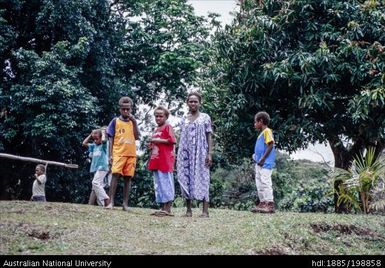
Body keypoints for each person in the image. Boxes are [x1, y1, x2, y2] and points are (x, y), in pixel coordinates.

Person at [177, 92, 213, 218]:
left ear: (199, 103)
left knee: (203, 177)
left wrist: (209, 153)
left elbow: (209, 135)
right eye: (190, 101)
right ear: (187, 103)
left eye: (195, 101)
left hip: (200, 152)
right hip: (185, 153)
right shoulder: (183, 119)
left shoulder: (205, 117)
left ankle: (205, 211)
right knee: (186, 178)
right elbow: (181, 137)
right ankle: (188, 210)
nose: (193, 103)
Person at [106, 96, 140, 211]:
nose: (126, 111)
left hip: (131, 154)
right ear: (120, 109)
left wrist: (134, 122)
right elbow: (110, 138)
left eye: (128, 109)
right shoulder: (115, 121)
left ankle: (125, 204)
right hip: (118, 153)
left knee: (128, 178)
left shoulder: (132, 122)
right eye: (124, 109)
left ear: (131, 109)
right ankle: (110, 202)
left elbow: (137, 136)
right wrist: (110, 155)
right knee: (115, 175)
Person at [148, 106, 177, 216]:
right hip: (156, 160)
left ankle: (168, 208)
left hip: (165, 161)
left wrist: (157, 140)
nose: (158, 118)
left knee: (166, 183)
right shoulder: (156, 129)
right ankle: (162, 207)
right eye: (156, 116)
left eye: (161, 116)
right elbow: (153, 144)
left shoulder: (167, 127)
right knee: (158, 184)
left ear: (166, 117)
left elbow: (172, 140)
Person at [250, 111, 276, 213]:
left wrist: (263, 159)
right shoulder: (261, 134)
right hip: (259, 163)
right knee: (259, 183)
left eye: (255, 122)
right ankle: (262, 202)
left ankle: (269, 203)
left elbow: (270, 145)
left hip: (265, 163)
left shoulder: (267, 131)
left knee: (265, 182)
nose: (254, 124)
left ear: (261, 121)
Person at [82, 128, 110, 207]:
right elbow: (84, 143)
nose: (95, 140)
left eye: (96, 138)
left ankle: (106, 198)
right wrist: (91, 135)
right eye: (93, 139)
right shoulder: (93, 146)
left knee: (95, 183)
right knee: (97, 186)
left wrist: (103, 133)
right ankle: (102, 205)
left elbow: (104, 140)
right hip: (95, 168)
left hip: (102, 167)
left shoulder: (103, 145)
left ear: (101, 138)